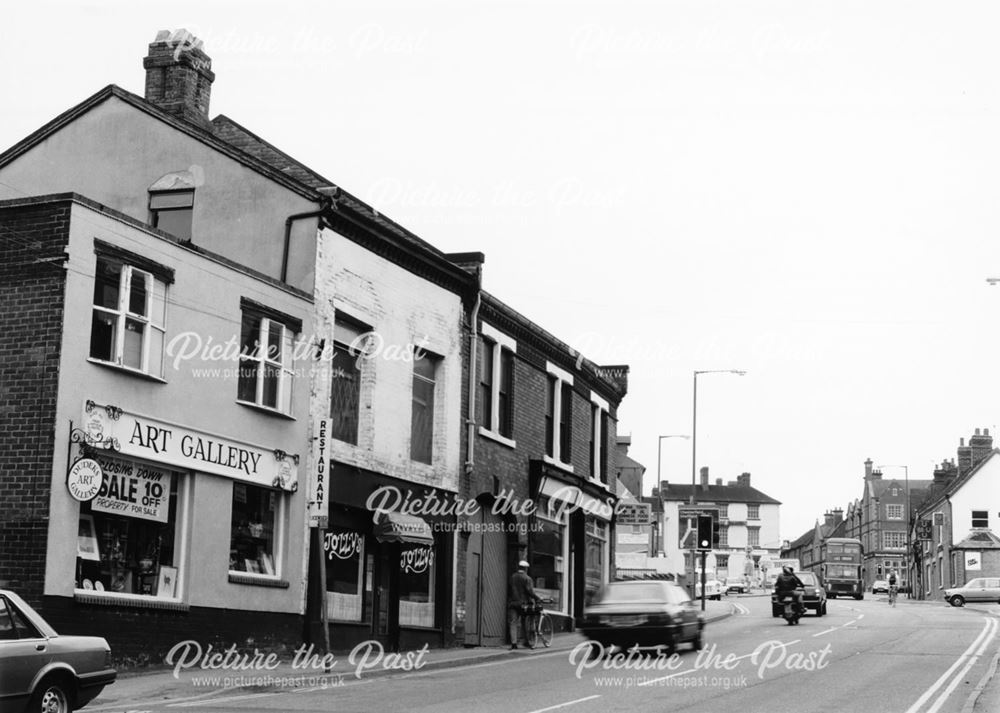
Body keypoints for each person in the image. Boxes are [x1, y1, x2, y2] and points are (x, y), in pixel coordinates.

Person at [508, 560, 540, 649]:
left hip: (513, 603)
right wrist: (537, 598)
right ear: (526, 568)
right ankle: (526, 641)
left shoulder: (512, 577)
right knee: (524, 622)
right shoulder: (527, 578)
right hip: (523, 604)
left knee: (513, 623)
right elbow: (529, 591)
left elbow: (510, 589)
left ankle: (513, 643)